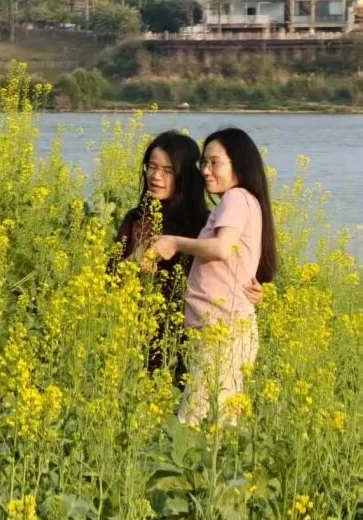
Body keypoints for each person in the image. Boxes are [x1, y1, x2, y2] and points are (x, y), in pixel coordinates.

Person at [153, 127, 277, 425]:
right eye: (203, 163)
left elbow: (222, 248)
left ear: (239, 164)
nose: (206, 171)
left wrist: (173, 242)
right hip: (220, 331)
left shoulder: (236, 198)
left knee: (191, 425)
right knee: (219, 425)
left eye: (214, 163)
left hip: (223, 333)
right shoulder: (240, 202)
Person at [116, 131, 259, 378]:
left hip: (189, 336)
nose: (156, 176)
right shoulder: (136, 220)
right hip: (134, 334)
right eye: (151, 167)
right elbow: (112, 277)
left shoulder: (205, 224)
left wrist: (255, 291)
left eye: (168, 171)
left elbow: (228, 268)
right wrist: (137, 259)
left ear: (185, 176)